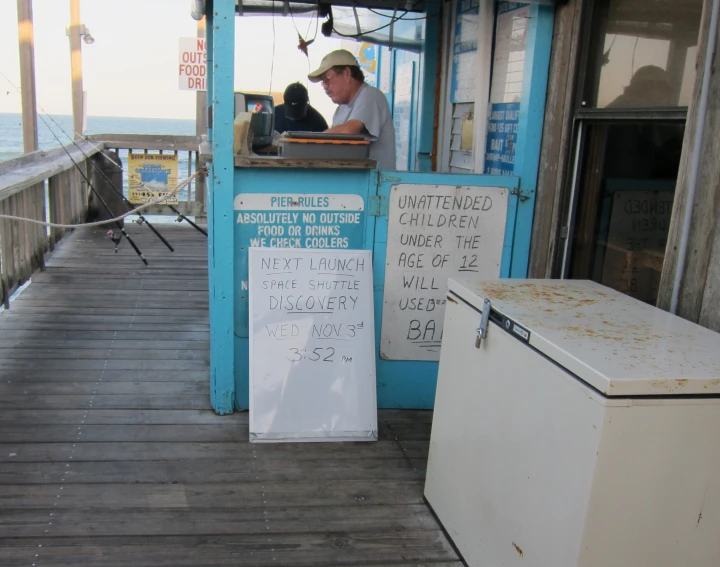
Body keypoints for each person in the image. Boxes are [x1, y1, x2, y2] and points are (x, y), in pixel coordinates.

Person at [308, 49, 396, 169]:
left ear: (347, 73)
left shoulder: (370, 95)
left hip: (376, 184)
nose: (325, 87)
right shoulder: (340, 110)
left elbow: (349, 131)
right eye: (323, 83)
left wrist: (308, 141)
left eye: (327, 80)